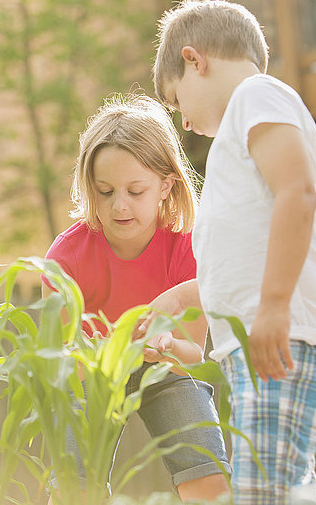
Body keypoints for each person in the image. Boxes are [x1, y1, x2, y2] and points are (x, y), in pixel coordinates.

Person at [137, 0, 316, 504]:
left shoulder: (257, 95)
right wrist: (184, 297)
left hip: (281, 334)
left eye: (177, 101)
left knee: (263, 492)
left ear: (194, 60)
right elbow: (243, 261)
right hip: (260, 343)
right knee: (279, 488)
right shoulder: (239, 138)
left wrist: (273, 307)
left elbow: (299, 192)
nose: (182, 122)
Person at [42, 93, 231, 503]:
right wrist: (104, 355)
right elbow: (59, 356)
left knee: (201, 454)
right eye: (105, 191)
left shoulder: (187, 250)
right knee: (74, 469)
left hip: (163, 370)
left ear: (166, 186)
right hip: (90, 373)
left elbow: (191, 351)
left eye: (135, 190)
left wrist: (165, 347)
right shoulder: (66, 258)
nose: (119, 206)